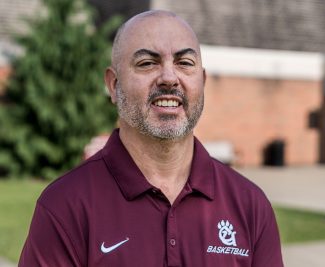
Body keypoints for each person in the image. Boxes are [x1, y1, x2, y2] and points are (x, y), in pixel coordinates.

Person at [19, 10, 284, 267]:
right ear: (113, 85)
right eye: (147, 63)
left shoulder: (250, 205)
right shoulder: (65, 206)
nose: (169, 78)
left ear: (202, 82)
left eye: (184, 63)